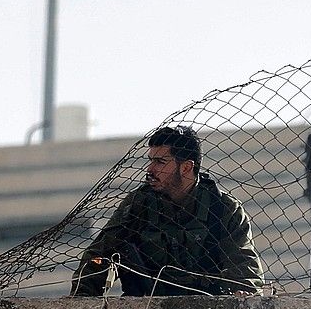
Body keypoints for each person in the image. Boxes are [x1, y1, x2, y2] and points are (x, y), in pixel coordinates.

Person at [71, 126, 263, 297]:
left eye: (160, 162)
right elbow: (99, 255)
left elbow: (244, 267)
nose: (150, 169)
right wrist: (83, 298)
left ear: (186, 167)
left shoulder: (223, 208)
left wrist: (244, 296)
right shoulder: (139, 204)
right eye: (151, 160)